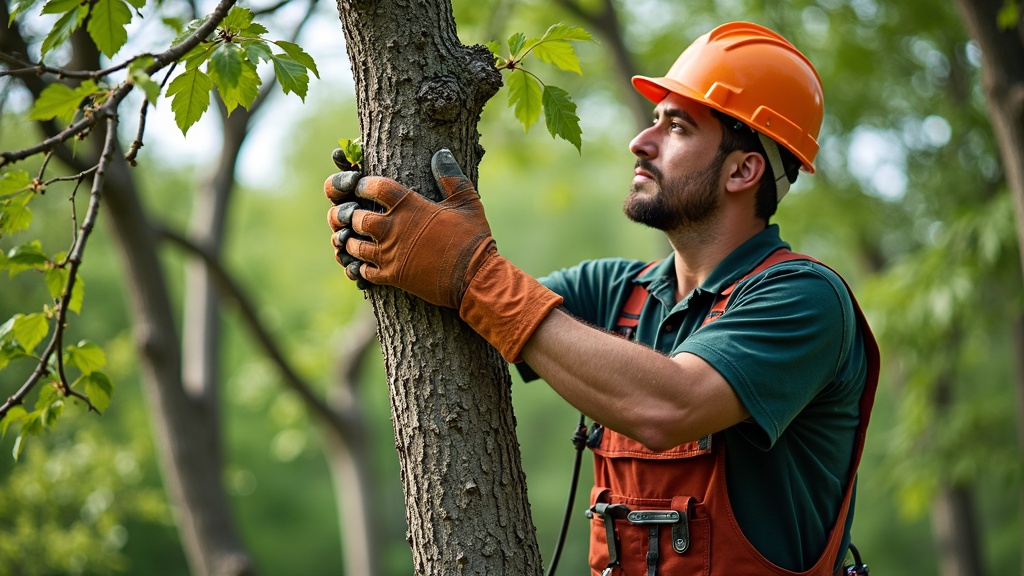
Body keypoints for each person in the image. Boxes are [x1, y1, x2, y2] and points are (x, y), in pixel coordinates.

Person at [324, 21, 879, 576]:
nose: (642, 141)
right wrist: (394, 234)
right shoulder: (612, 291)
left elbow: (671, 406)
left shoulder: (804, 299)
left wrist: (473, 272)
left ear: (742, 169)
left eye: (678, 126)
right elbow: (482, 310)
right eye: (654, 120)